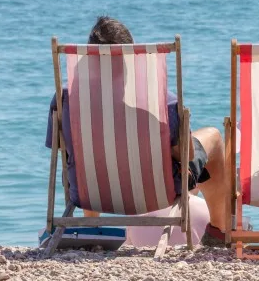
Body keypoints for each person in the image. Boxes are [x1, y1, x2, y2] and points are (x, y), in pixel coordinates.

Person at [44, 16, 232, 246]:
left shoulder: (65, 100)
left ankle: (90, 229)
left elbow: (62, 149)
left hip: (87, 193)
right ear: (131, 60)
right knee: (212, 136)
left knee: (84, 156)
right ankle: (219, 231)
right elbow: (186, 154)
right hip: (155, 194)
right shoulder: (162, 102)